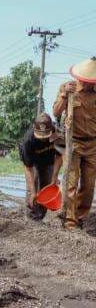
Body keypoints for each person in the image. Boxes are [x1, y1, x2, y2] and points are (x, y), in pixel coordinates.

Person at [53, 56, 96, 230]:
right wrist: (64, 96)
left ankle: (81, 217)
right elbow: (56, 111)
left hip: (92, 144)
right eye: (85, 81)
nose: (87, 84)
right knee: (71, 183)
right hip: (74, 143)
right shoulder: (67, 89)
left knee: (88, 184)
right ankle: (70, 220)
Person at [19, 114, 60, 220]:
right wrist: (33, 192)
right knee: (32, 190)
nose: (43, 140)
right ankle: (31, 217)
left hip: (48, 161)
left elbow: (60, 156)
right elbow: (28, 169)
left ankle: (40, 216)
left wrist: (55, 176)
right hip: (34, 160)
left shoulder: (57, 133)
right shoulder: (28, 141)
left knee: (46, 186)